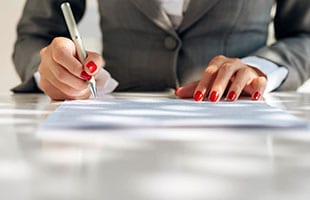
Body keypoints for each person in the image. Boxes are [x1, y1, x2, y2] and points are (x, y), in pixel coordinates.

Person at [12, 0, 310, 102]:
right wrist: (51, 70)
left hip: (245, 131)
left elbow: (304, 33)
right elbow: (35, 35)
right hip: (113, 143)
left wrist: (261, 68)